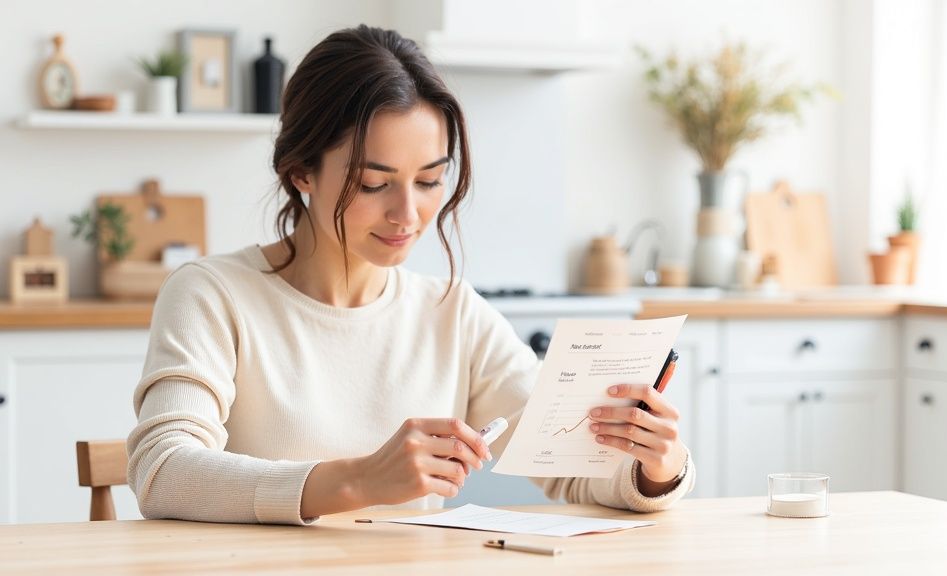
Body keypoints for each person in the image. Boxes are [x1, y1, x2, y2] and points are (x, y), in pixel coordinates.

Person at [127, 25, 694, 525]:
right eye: (375, 184)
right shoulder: (212, 295)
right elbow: (164, 470)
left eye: (428, 182)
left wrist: (655, 466)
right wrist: (359, 481)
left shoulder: (452, 312)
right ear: (301, 171)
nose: (408, 214)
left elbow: (573, 469)